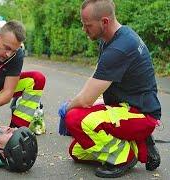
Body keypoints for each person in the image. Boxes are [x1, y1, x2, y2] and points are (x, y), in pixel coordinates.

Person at [58, 0, 161, 178]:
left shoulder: (119, 48)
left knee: (74, 118)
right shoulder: (113, 39)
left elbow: (86, 99)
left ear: (104, 22)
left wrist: (66, 109)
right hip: (124, 107)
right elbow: (96, 84)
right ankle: (138, 143)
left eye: (87, 25)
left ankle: (126, 156)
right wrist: (80, 103)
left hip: (141, 114)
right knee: (77, 151)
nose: (84, 29)